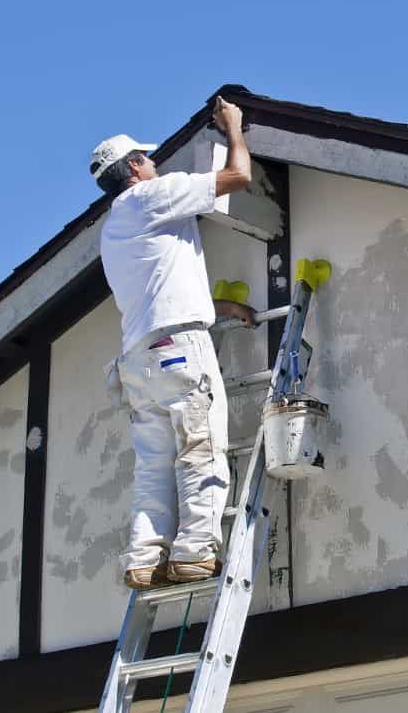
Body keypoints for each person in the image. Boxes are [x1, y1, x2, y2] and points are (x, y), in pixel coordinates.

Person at [91, 96, 255, 589]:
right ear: (135, 166)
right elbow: (238, 177)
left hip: (139, 360)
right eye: (148, 158)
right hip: (179, 351)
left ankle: (144, 559)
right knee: (199, 449)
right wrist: (233, 129)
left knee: (153, 468)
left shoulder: (114, 227)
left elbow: (160, 283)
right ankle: (195, 552)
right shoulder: (152, 196)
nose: (155, 162)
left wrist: (216, 309)